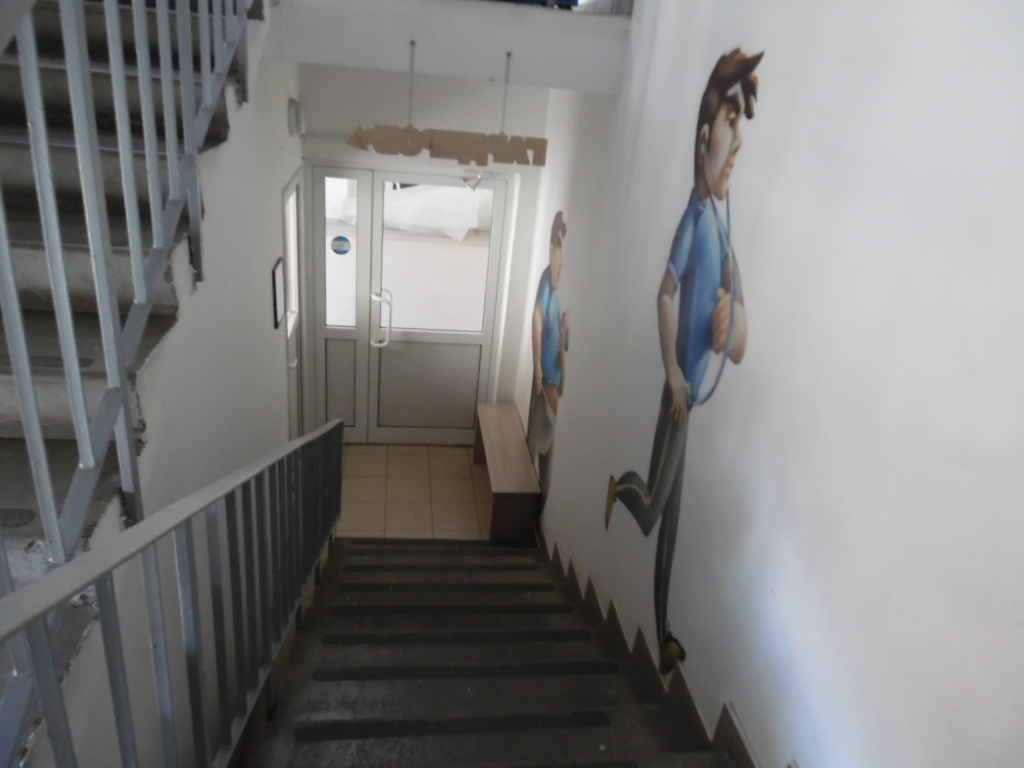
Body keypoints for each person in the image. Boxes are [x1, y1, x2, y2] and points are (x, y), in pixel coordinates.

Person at [605, 49, 762, 675]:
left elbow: (740, 332)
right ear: (704, 139)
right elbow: (665, 292)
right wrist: (672, 370)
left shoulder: (722, 232)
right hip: (678, 395)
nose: (738, 146)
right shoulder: (695, 221)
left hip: (692, 398)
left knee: (672, 525)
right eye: (731, 126)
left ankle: (664, 631)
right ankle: (620, 488)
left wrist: (733, 320)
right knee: (651, 512)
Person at [527, 211, 569, 512]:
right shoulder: (547, 281)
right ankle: (528, 506)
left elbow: (559, 341)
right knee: (537, 444)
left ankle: (536, 511)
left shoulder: (556, 291)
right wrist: (538, 369)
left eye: (561, 251)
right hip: (545, 381)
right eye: (556, 248)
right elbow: (536, 319)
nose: (558, 261)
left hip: (553, 381)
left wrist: (565, 338)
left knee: (546, 451)